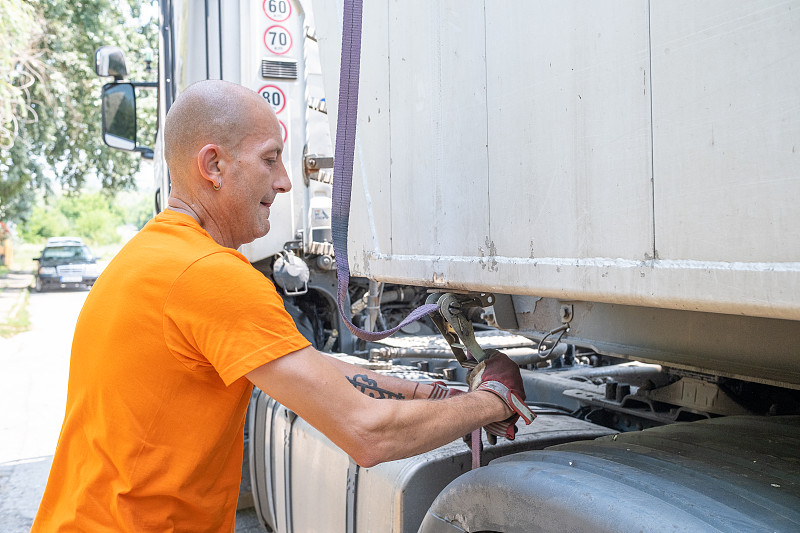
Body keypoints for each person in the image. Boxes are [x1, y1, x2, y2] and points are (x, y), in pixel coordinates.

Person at [32, 80, 531, 532]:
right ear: (213, 166)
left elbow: (312, 371)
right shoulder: (210, 276)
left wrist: (434, 397)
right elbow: (366, 433)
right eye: (270, 160)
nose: (286, 182)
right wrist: (491, 402)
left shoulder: (151, 257)